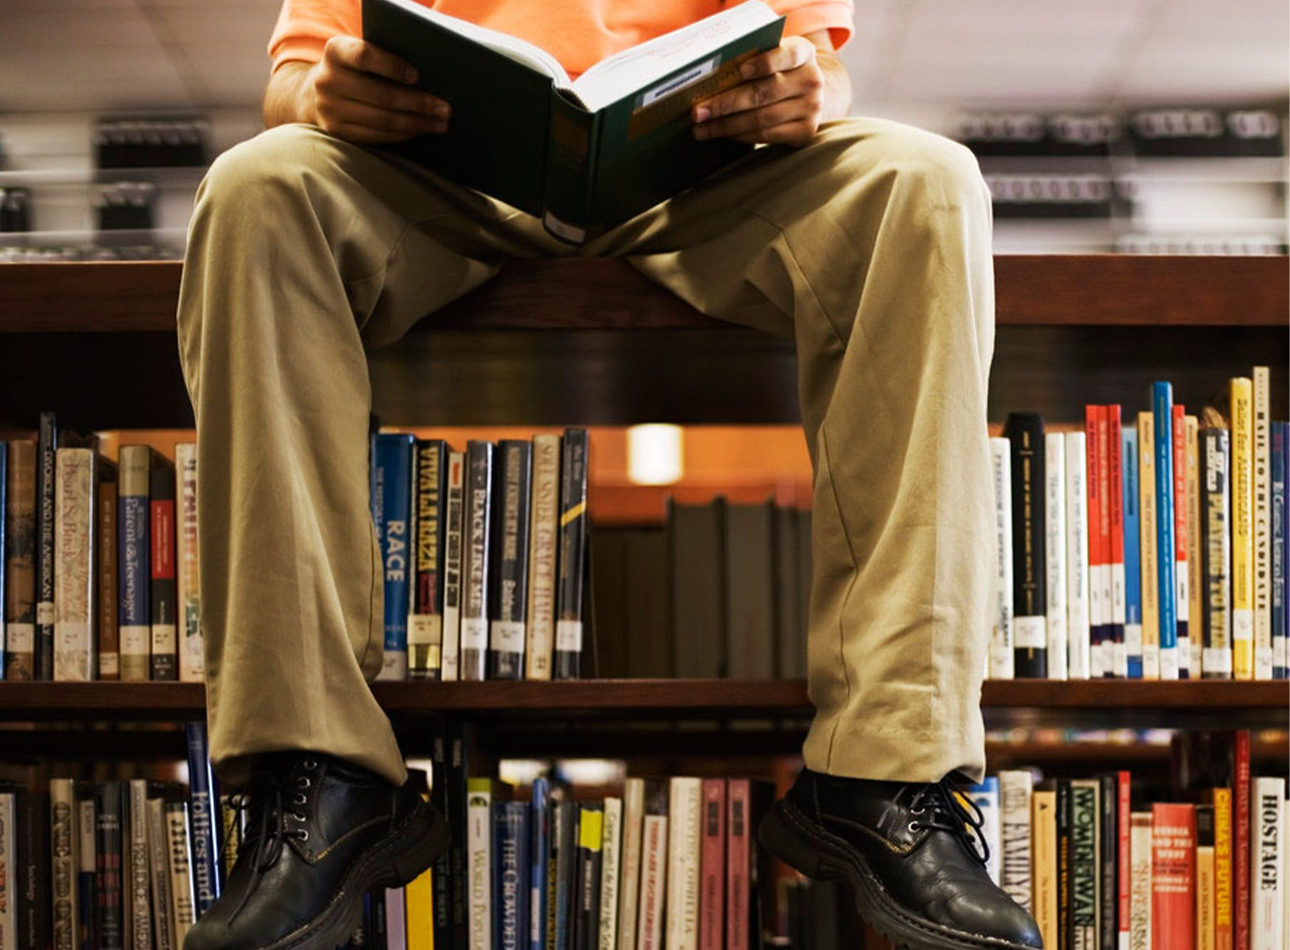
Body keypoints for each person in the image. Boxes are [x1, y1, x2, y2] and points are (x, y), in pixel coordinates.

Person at [177, 2, 1043, 949]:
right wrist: (322, 91)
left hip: (702, 181)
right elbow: (294, 80)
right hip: (435, 179)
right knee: (255, 187)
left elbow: (817, 68)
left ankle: (886, 773)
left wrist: (803, 92)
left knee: (928, 180)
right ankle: (320, 777)